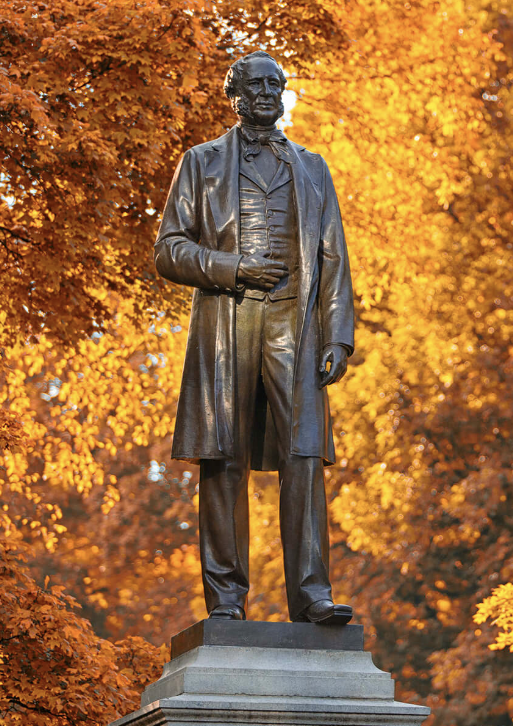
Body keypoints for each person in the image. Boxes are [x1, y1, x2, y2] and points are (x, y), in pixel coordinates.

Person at [154, 51, 355, 624]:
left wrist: (338, 336)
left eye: (276, 84)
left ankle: (312, 595)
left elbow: (334, 256)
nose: (268, 92)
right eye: (256, 84)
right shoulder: (201, 162)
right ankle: (225, 599)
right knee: (224, 458)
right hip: (229, 319)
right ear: (234, 94)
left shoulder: (312, 167)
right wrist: (234, 267)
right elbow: (168, 250)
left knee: (304, 456)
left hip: (296, 324)